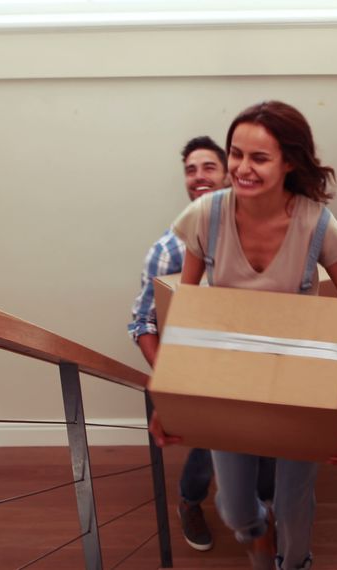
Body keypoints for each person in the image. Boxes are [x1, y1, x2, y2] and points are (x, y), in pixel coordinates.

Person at [148, 101, 337, 570]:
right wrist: (170, 400)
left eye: (259, 158)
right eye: (236, 154)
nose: (241, 169)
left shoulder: (317, 224)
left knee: (295, 505)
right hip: (227, 380)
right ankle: (256, 534)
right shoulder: (205, 216)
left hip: (298, 387)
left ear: (289, 161)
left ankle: (294, 563)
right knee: (232, 506)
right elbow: (185, 311)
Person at [128, 136, 231, 552]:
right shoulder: (168, 249)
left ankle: (257, 511)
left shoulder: (259, 235)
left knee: (259, 445)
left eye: (208, 167)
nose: (199, 176)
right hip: (197, 370)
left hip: (251, 365)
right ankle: (190, 501)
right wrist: (170, 378)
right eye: (191, 170)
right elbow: (142, 322)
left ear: (227, 174)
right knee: (208, 446)